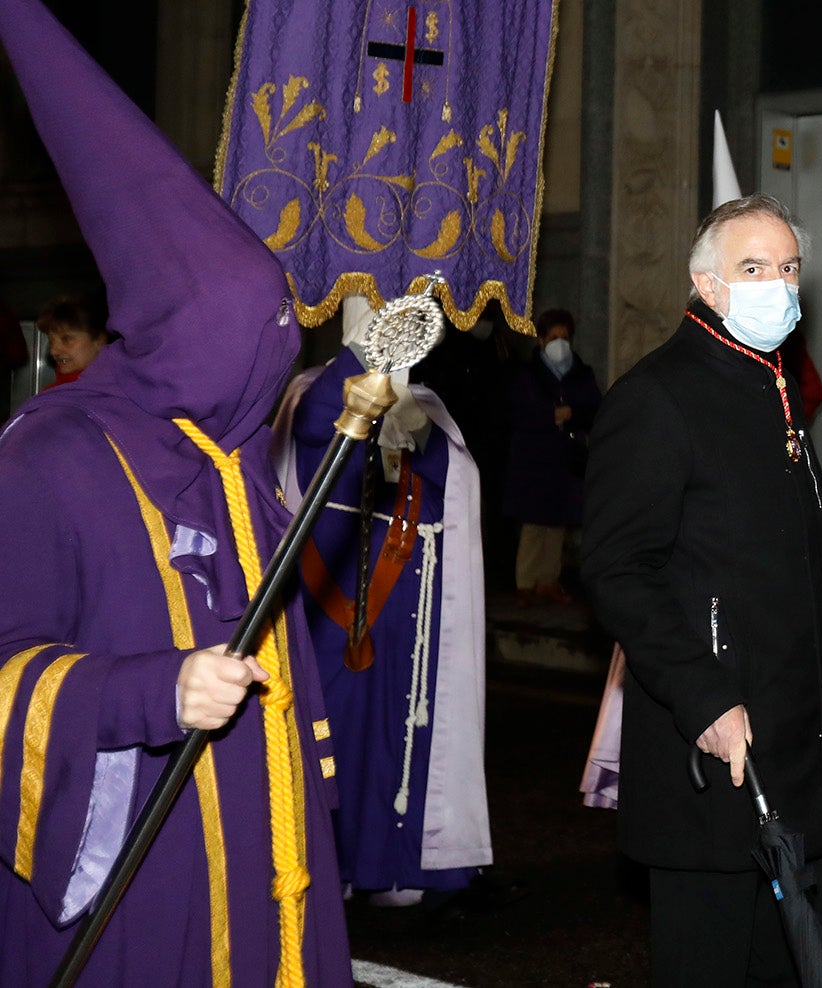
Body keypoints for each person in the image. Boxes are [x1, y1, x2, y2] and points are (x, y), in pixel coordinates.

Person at [0, 1, 350, 983]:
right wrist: (152, 689)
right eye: (251, 328)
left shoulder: (231, 455)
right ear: (177, 331)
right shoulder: (48, 457)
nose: (271, 355)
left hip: (265, 855)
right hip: (138, 874)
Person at [580, 193, 822, 986]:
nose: (780, 284)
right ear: (708, 286)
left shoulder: (775, 392)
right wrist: (701, 696)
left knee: (800, 953)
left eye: (789, 267)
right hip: (718, 740)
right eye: (754, 267)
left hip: (801, 741)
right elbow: (619, 568)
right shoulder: (658, 397)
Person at [271, 296, 492, 908]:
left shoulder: (429, 404)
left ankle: (396, 866)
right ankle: (332, 861)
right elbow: (320, 424)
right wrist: (368, 358)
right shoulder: (311, 390)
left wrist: (418, 428)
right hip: (331, 590)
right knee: (332, 732)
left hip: (409, 607)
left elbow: (453, 478)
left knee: (405, 733)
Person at [504, 307, 602, 605]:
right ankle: (526, 582)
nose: (560, 343)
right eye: (554, 337)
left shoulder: (581, 373)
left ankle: (548, 580)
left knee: (557, 522)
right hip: (535, 456)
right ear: (541, 339)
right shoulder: (526, 373)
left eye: (565, 337)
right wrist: (550, 416)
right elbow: (516, 412)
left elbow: (595, 409)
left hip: (565, 458)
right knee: (534, 524)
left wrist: (571, 414)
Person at [35, 293, 108, 387]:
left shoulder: (119, 391)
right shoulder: (54, 394)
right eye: (51, 342)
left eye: (66, 340)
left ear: (99, 341)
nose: (53, 351)